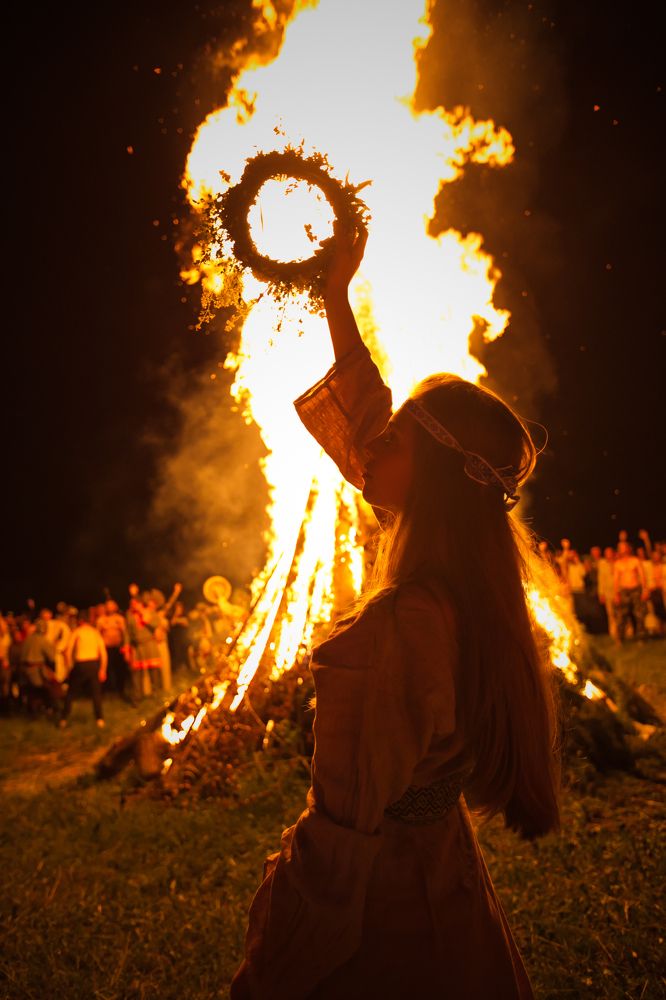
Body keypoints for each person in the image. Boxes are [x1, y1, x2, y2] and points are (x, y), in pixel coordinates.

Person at [230, 226, 560, 999]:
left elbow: (339, 839)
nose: (370, 448)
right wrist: (335, 297)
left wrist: (270, 970)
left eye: (394, 442)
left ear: (438, 478)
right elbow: (366, 422)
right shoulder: (466, 584)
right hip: (445, 877)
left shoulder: (399, 628)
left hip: (387, 911)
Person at [60, 609, 108, 727]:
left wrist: (69, 667)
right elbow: (103, 653)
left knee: (71, 692)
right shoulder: (95, 632)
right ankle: (100, 719)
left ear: (80, 621)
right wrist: (103, 669)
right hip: (94, 664)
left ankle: (63, 719)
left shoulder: (77, 632)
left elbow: (67, 652)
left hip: (81, 664)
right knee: (96, 693)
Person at [96, 599, 132, 701]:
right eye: (107, 606)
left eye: (111, 605)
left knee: (120, 670)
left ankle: (121, 690)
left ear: (115, 607)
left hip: (118, 648)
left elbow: (125, 634)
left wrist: (125, 647)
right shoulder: (101, 620)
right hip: (106, 649)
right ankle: (105, 691)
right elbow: (97, 634)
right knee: (106, 669)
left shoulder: (120, 619)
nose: (109, 608)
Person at [613, 540, 648, 642]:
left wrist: (645, 590)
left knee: (639, 615)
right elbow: (616, 580)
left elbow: (642, 576)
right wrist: (616, 594)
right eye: (620, 547)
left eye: (624, 547)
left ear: (628, 548)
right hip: (624, 591)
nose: (622, 549)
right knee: (621, 616)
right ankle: (620, 638)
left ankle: (641, 637)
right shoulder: (617, 564)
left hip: (636, 590)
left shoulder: (635, 561)